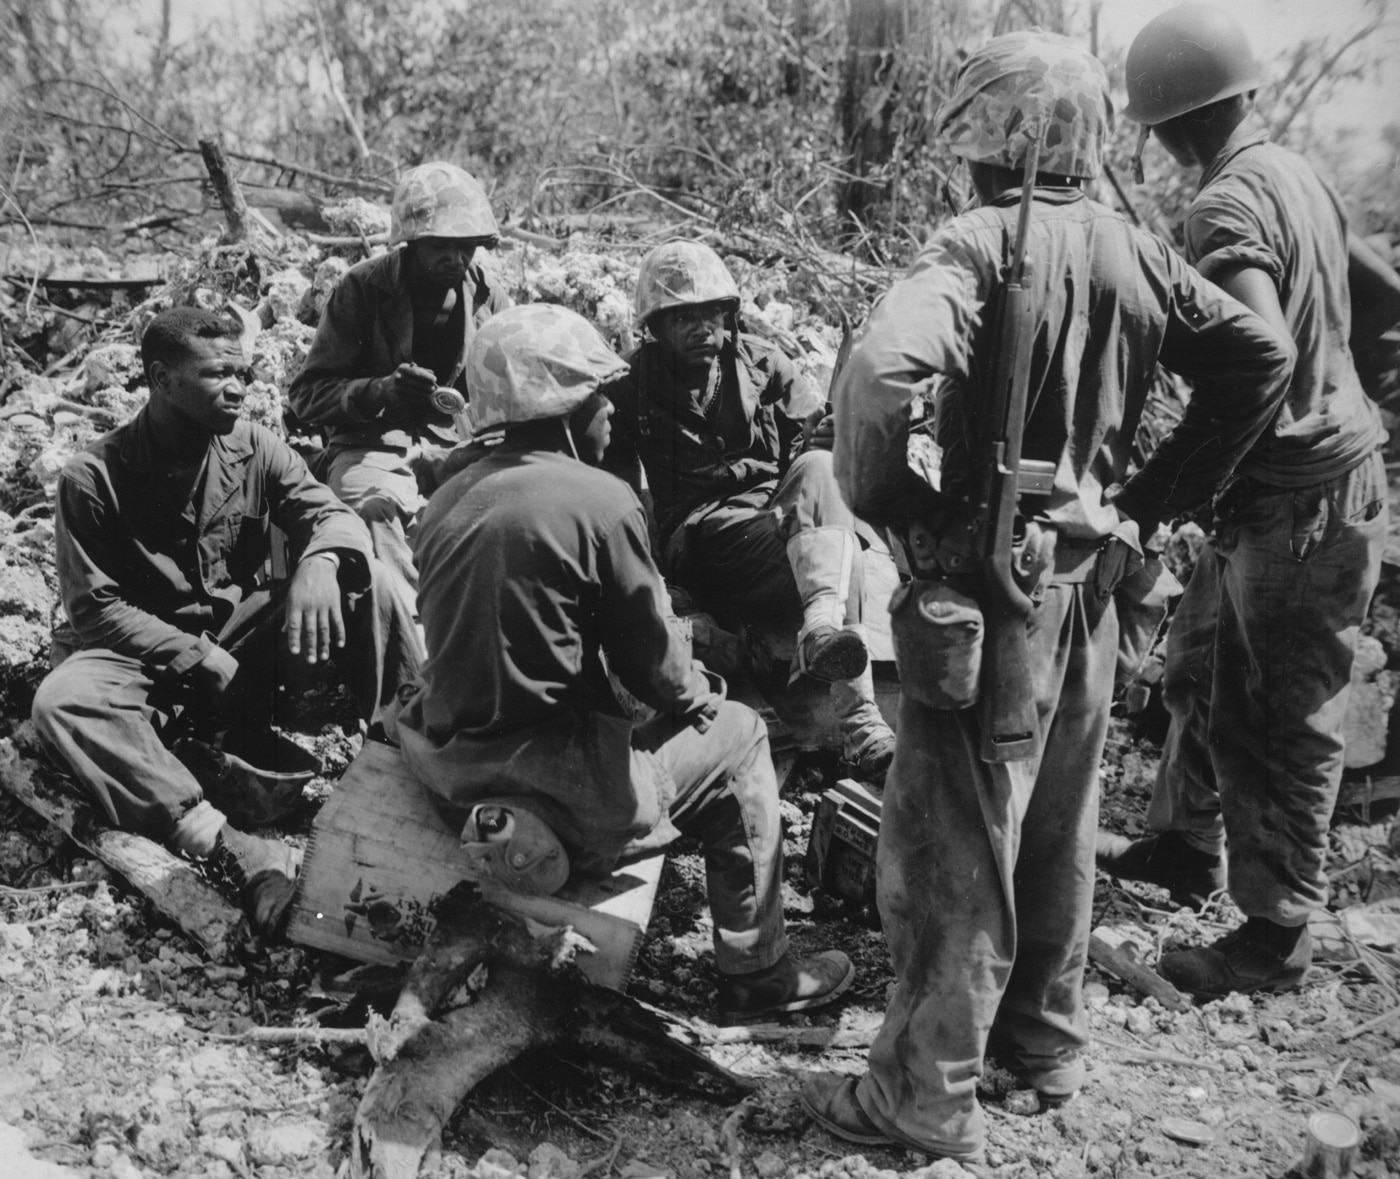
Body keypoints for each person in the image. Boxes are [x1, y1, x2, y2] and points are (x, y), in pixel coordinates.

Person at [797, 31, 1295, 1163]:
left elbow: (877, 380)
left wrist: (895, 506)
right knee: (1062, 822)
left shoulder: (973, 244)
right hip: (1089, 589)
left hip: (989, 592)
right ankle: (1041, 1045)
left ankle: (922, 1096)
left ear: (985, 135)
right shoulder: (1132, 246)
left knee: (949, 844)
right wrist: (1150, 500)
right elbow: (1257, 357)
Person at [390, 303, 855, 1022]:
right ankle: (758, 974)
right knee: (740, 736)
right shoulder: (601, 500)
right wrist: (703, 690)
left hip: (455, 769)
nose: (613, 411)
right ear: (570, 411)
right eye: (601, 396)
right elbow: (659, 674)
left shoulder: (447, 495)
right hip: (559, 784)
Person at [1097, 2, 1400, 999]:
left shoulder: (1223, 208)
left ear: (1165, 126)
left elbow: (1255, 362)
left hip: (1298, 501)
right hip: (1285, 488)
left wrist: (1156, 491)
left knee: (1280, 714)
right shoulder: (1292, 174)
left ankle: (1275, 939)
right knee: (1197, 669)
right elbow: (1380, 295)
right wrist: (1347, 391)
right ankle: (1184, 846)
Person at [32, 307, 425, 936]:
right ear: (162, 379)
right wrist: (196, 656)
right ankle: (232, 848)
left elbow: (333, 517)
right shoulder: (94, 476)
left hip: (240, 644)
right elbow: (95, 611)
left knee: (367, 579)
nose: (240, 387)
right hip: (143, 658)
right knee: (63, 701)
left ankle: (418, 758)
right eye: (218, 374)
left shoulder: (256, 449)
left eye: (242, 372)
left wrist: (319, 565)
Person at [601, 241, 896, 782]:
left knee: (825, 474)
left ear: (728, 314)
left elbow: (810, 441)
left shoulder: (765, 364)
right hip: (700, 532)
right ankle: (859, 714)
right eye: (681, 317)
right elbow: (614, 491)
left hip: (777, 518)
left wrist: (827, 436)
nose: (700, 328)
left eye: (710, 313)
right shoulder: (630, 385)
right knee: (841, 549)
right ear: (655, 326)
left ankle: (825, 633)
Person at [288, 161, 512, 609]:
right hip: (371, 443)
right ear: (411, 243)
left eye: (467, 247)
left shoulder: (489, 295)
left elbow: (510, 389)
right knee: (375, 508)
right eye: (441, 248)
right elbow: (306, 395)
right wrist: (379, 391)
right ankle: (415, 645)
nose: (457, 260)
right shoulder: (362, 288)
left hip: (457, 445)